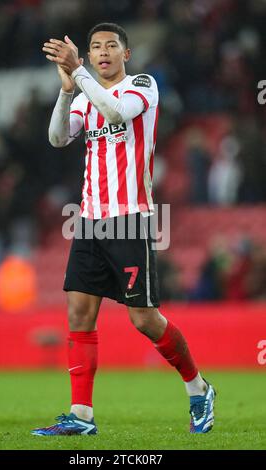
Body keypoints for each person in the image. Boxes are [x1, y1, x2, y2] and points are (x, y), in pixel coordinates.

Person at [32, 23, 215, 436]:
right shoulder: (82, 96)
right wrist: (65, 92)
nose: (102, 52)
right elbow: (58, 138)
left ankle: (198, 387)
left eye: (111, 46)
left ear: (126, 55)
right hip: (90, 221)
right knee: (79, 312)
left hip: (131, 218)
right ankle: (81, 415)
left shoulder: (143, 85)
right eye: (95, 47)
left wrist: (78, 72)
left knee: (145, 319)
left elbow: (117, 112)